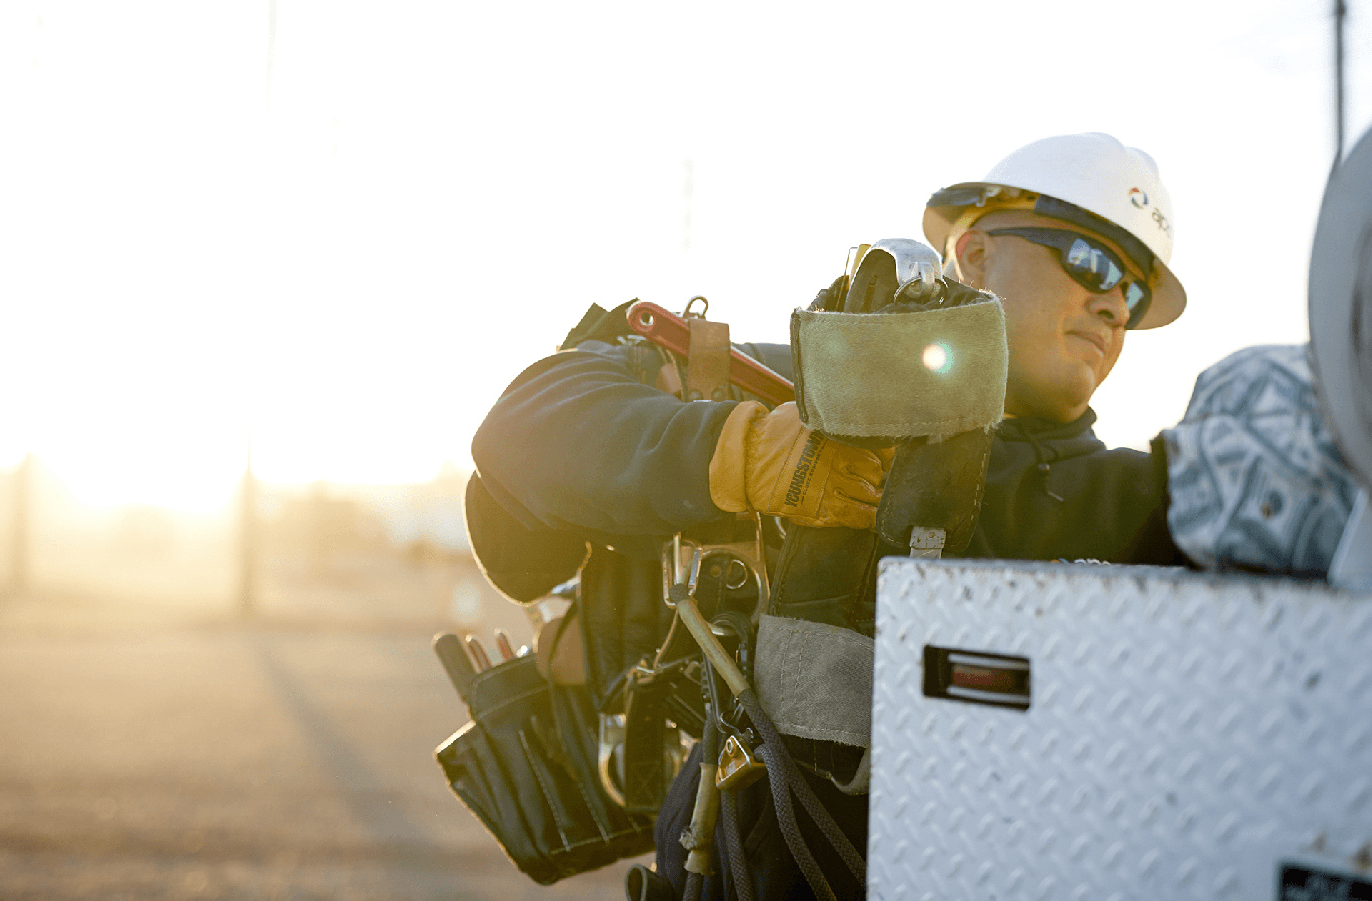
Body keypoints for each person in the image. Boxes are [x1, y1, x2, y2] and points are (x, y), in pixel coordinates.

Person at [467, 133, 1190, 898]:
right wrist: (739, 454)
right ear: (974, 256)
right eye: (1092, 263)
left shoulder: (1127, 501)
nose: (1112, 302)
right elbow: (523, 431)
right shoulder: (812, 400)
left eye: (1133, 293)